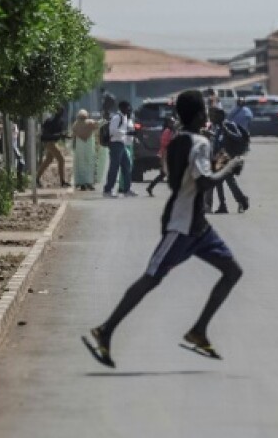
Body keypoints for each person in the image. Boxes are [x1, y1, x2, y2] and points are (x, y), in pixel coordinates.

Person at [82, 90, 245, 368]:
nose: (207, 117)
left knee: (232, 271)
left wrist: (216, 165)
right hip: (182, 226)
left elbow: (183, 178)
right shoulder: (198, 143)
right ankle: (105, 330)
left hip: (198, 227)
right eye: (204, 112)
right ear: (197, 116)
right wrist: (230, 167)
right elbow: (204, 183)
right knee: (151, 278)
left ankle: (199, 330)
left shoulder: (180, 141)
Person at [104, 102, 137, 197]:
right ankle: (108, 190)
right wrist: (126, 133)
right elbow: (112, 131)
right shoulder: (117, 117)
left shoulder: (125, 117)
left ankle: (127, 190)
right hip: (115, 144)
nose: (128, 109)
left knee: (127, 166)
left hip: (122, 144)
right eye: (127, 107)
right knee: (114, 168)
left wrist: (129, 134)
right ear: (122, 108)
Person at [37, 108, 69, 188]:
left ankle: (36, 178)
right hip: (49, 142)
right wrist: (59, 135)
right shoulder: (51, 121)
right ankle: (62, 181)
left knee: (48, 160)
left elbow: (57, 133)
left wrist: (64, 135)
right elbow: (46, 134)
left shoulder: (57, 121)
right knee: (61, 159)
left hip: (51, 142)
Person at [70, 110, 101, 191]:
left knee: (80, 164)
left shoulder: (76, 124)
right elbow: (98, 125)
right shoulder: (90, 122)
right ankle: (89, 182)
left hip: (80, 148)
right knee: (90, 163)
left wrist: (73, 146)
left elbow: (73, 136)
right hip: (89, 147)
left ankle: (81, 183)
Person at [148, 115, 176, 197]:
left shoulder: (173, 131)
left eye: (173, 122)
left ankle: (150, 187)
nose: (172, 123)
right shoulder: (167, 131)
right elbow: (164, 143)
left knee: (164, 174)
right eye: (171, 122)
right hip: (165, 155)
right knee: (166, 173)